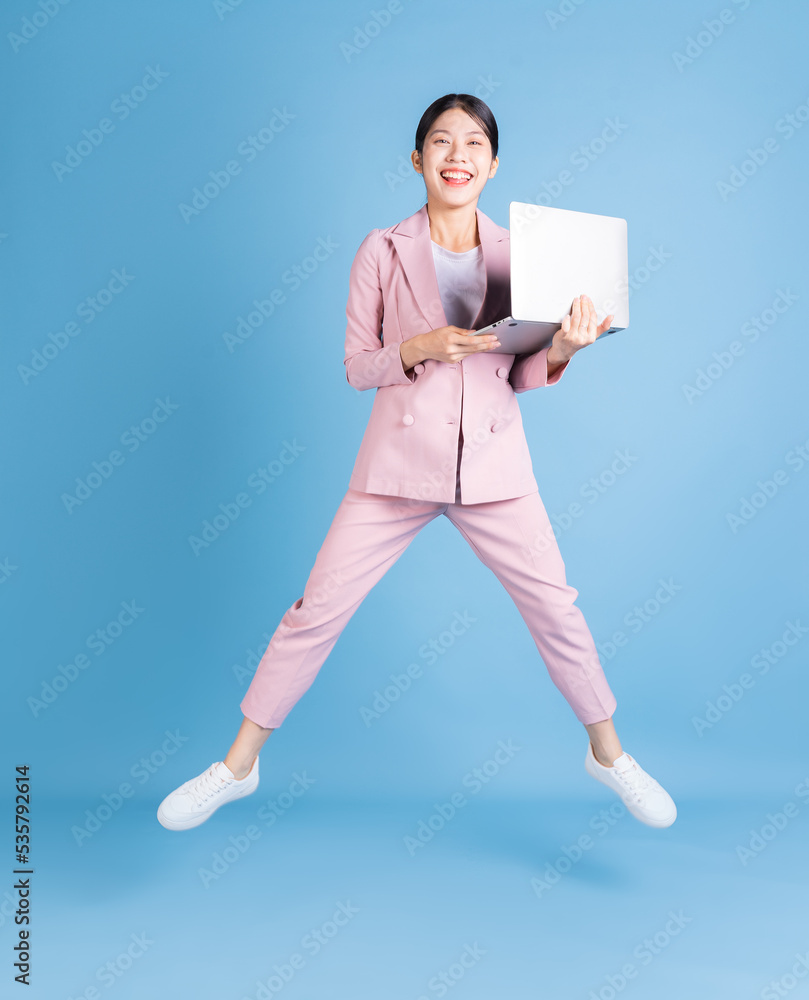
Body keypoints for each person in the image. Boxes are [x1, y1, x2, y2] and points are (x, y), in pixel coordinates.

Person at [157, 93, 676, 833]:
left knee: (557, 610)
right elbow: (354, 366)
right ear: (417, 159)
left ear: (493, 164)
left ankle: (608, 755)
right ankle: (236, 767)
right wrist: (419, 347)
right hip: (395, 466)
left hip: (494, 468)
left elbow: (518, 374)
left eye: (472, 143)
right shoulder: (381, 248)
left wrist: (563, 348)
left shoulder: (523, 254)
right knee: (314, 612)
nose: (456, 154)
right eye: (439, 141)